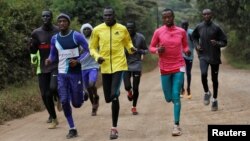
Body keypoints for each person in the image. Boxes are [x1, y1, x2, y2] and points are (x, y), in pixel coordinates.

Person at [89, 7, 136, 140]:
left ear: (114, 15)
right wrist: (97, 57)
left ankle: (114, 129)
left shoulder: (122, 28)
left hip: (119, 65)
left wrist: (132, 49)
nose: (108, 17)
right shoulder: (97, 30)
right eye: (105, 15)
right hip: (104, 66)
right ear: (103, 16)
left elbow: (128, 43)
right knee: (108, 98)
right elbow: (92, 47)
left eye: (110, 15)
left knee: (114, 96)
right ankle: (115, 93)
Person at [45, 13, 89, 139]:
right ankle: (72, 128)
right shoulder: (55, 38)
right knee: (64, 101)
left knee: (76, 104)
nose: (62, 23)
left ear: (68, 23)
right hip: (62, 73)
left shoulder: (76, 36)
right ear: (57, 24)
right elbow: (53, 54)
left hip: (75, 74)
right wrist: (49, 60)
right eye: (60, 21)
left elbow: (88, 50)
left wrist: (78, 60)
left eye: (64, 21)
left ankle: (82, 92)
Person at [149, 8, 190, 136]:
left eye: (169, 17)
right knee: (168, 98)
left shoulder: (181, 31)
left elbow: (185, 45)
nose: (167, 19)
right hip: (164, 67)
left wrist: (187, 50)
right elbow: (150, 47)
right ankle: (174, 101)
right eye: (165, 17)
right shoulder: (158, 32)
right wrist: (157, 50)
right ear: (163, 19)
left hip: (179, 66)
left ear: (173, 17)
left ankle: (176, 126)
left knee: (176, 95)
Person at [192, 9, 227, 111]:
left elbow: (224, 42)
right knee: (203, 74)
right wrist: (197, 45)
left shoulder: (216, 28)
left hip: (214, 57)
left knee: (214, 79)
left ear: (212, 15)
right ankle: (207, 92)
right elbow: (194, 37)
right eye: (204, 14)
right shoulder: (199, 27)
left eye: (208, 14)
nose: (206, 16)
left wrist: (217, 43)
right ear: (202, 16)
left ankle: (215, 100)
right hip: (203, 56)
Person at [29, 10, 59, 129]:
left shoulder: (57, 30)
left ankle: (58, 96)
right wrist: (31, 47)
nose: (45, 18)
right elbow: (33, 51)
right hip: (42, 67)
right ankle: (53, 117)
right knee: (45, 95)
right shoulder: (36, 33)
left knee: (52, 88)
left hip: (56, 65)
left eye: (47, 16)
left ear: (51, 17)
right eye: (43, 16)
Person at [123, 21, 148, 115]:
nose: (129, 30)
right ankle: (129, 92)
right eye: (127, 28)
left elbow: (146, 50)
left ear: (135, 28)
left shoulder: (140, 37)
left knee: (136, 88)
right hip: (125, 64)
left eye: (131, 28)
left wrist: (138, 51)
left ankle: (134, 107)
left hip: (137, 64)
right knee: (127, 86)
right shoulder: (123, 38)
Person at [80, 23, 100, 116]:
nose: (86, 31)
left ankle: (96, 96)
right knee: (88, 88)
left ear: (92, 30)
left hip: (93, 66)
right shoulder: (80, 41)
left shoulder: (95, 39)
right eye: (84, 29)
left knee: (92, 84)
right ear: (82, 31)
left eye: (88, 29)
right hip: (83, 67)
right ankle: (93, 106)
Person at [180, 20, 195, 99]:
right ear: (181, 25)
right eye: (183, 25)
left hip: (190, 56)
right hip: (181, 56)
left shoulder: (191, 32)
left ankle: (188, 88)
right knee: (181, 72)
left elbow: (195, 43)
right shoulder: (178, 32)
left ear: (188, 25)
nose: (184, 27)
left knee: (188, 72)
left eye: (186, 25)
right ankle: (182, 89)